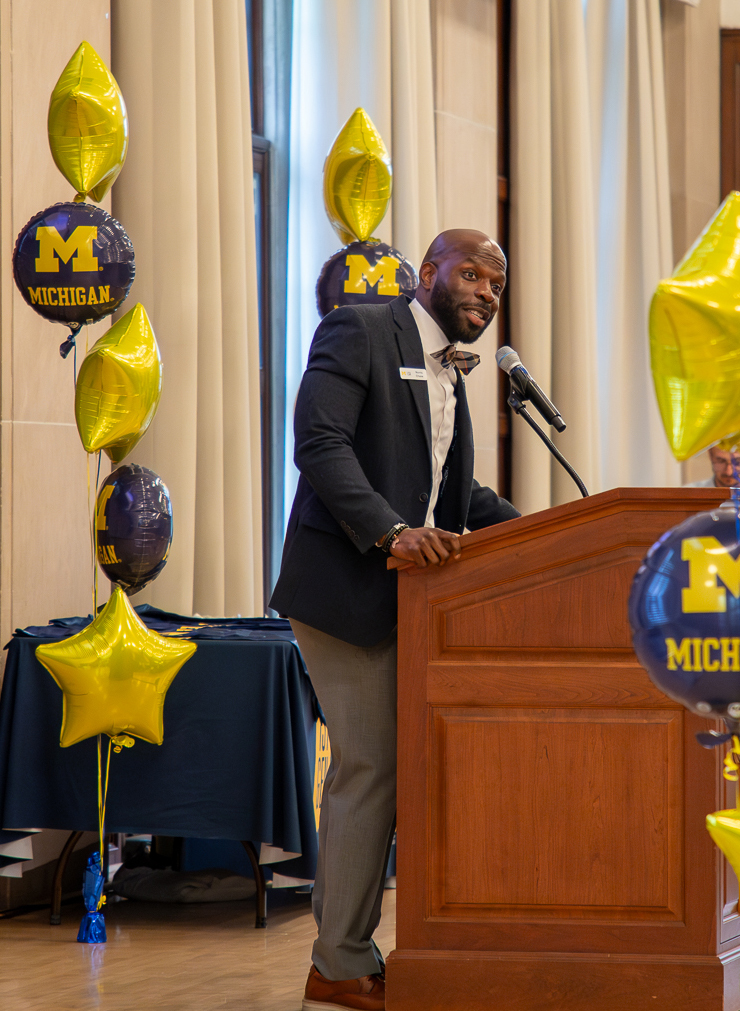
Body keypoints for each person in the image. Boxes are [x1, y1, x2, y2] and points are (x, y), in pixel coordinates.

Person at [270, 229, 520, 1011]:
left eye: (497, 286)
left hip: (409, 600)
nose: (484, 292)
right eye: (473, 274)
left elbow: (453, 502)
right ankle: (339, 963)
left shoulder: (455, 375)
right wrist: (389, 531)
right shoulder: (363, 327)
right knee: (371, 766)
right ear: (431, 270)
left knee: (399, 770)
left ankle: (381, 947)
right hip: (343, 592)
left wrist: (548, 535)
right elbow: (319, 441)